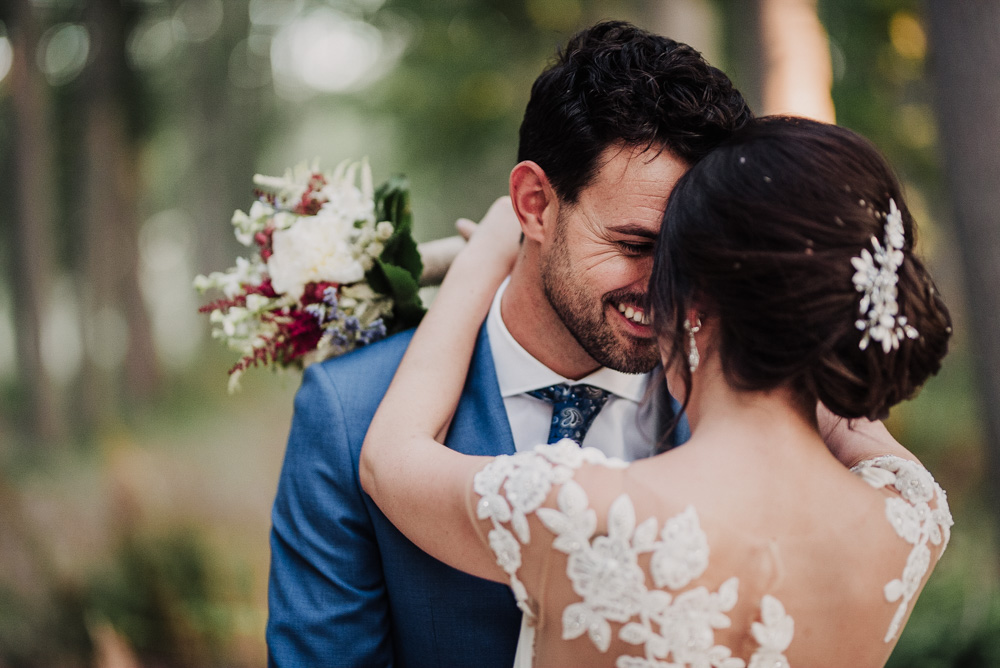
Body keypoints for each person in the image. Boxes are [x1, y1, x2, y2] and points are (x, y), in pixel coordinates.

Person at [266, 22, 913, 666]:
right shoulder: (349, 409)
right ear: (535, 204)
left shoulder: (769, 415)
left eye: (695, 256)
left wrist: (483, 258)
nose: (670, 290)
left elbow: (396, 462)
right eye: (636, 245)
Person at [359, 115, 954, 667]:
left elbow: (391, 459)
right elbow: (852, 414)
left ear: (693, 305)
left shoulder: (580, 511)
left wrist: (487, 258)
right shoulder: (912, 517)